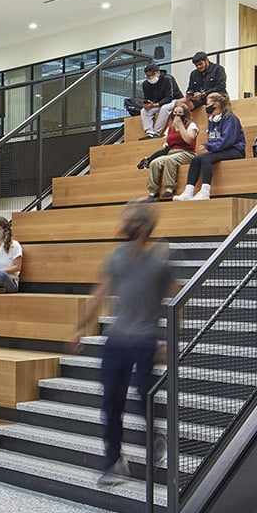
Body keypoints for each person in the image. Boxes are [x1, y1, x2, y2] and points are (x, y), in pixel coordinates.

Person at [77, 203, 172, 487]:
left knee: (144, 397)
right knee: (111, 401)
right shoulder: (116, 257)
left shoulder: (159, 264)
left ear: (142, 227)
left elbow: (177, 304)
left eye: (128, 220)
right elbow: (101, 293)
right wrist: (80, 328)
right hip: (117, 339)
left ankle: (156, 442)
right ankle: (113, 461)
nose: (122, 225)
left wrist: (166, 341)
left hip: (144, 339)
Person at [176, 91, 245, 200]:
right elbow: (212, 138)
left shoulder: (230, 118)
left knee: (205, 159)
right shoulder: (212, 120)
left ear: (216, 104)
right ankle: (188, 191)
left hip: (234, 150)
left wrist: (211, 146)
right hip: (220, 149)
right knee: (196, 159)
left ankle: (205, 191)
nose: (207, 107)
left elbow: (228, 140)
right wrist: (210, 145)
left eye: (208, 104)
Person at [142, 102, 199, 201]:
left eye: (180, 113)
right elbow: (167, 143)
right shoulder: (170, 128)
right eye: (175, 112)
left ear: (185, 114)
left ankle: (170, 187)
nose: (177, 115)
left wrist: (180, 125)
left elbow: (189, 140)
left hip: (186, 153)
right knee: (155, 163)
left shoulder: (191, 125)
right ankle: (153, 191)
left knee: (170, 160)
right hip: (171, 152)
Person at [138, 62, 180, 139]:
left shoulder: (168, 79)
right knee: (144, 111)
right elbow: (148, 98)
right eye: (148, 76)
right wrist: (147, 104)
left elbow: (169, 97)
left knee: (165, 108)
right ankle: (149, 133)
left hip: (174, 100)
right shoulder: (145, 84)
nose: (150, 78)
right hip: (158, 103)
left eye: (152, 75)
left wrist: (155, 105)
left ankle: (156, 133)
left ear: (158, 72)